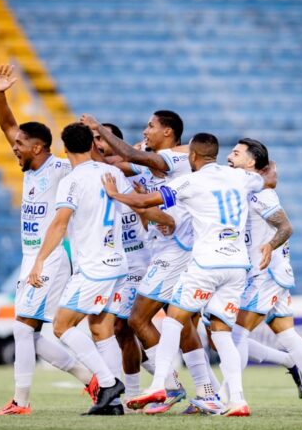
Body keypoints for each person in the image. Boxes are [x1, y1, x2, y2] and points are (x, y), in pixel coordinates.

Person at [103, 133, 273, 416]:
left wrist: (115, 195)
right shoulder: (241, 178)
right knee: (221, 332)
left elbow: (147, 202)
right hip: (237, 266)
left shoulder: (189, 181)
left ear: (193, 157)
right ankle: (238, 400)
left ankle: (160, 384)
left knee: (173, 321)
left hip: (206, 264)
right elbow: (265, 179)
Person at [0, 64, 98, 416]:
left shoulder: (62, 169)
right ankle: (92, 379)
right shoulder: (31, 166)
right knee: (29, 331)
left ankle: (22, 402)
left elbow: (95, 164)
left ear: (37, 148)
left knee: (23, 327)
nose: (14, 148)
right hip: (31, 256)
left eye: (20, 145)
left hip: (51, 255)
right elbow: (7, 125)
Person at [82, 112, 210, 414]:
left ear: (167, 132)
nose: (145, 131)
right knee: (182, 322)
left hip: (175, 249)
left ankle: (169, 386)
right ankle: (208, 393)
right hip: (171, 248)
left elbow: (128, 156)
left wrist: (98, 129)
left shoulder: (174, 159)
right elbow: (118, 163)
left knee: (138, 319)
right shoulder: (154, 168)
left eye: (150, 126)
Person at [225, 138, 302, 416]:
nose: (229, 156)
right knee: (287, 335)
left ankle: (228, 398)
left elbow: (286, 227)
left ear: (251, 162)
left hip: (267, 273)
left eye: (236, 153)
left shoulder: (261, 193)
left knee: (235, 333)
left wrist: (268, 246)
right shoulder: (248, 187)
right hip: (272, 272)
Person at [28, 122, 129, 415]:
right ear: (92, 145)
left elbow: (60, 223)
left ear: (65, 149)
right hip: (117, 263)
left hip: (94, 267)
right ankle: (113, 405)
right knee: (101, 329)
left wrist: (39, 260)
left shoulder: (72, 180)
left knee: (62, 326)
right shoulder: (113, 174)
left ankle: (109, 383)